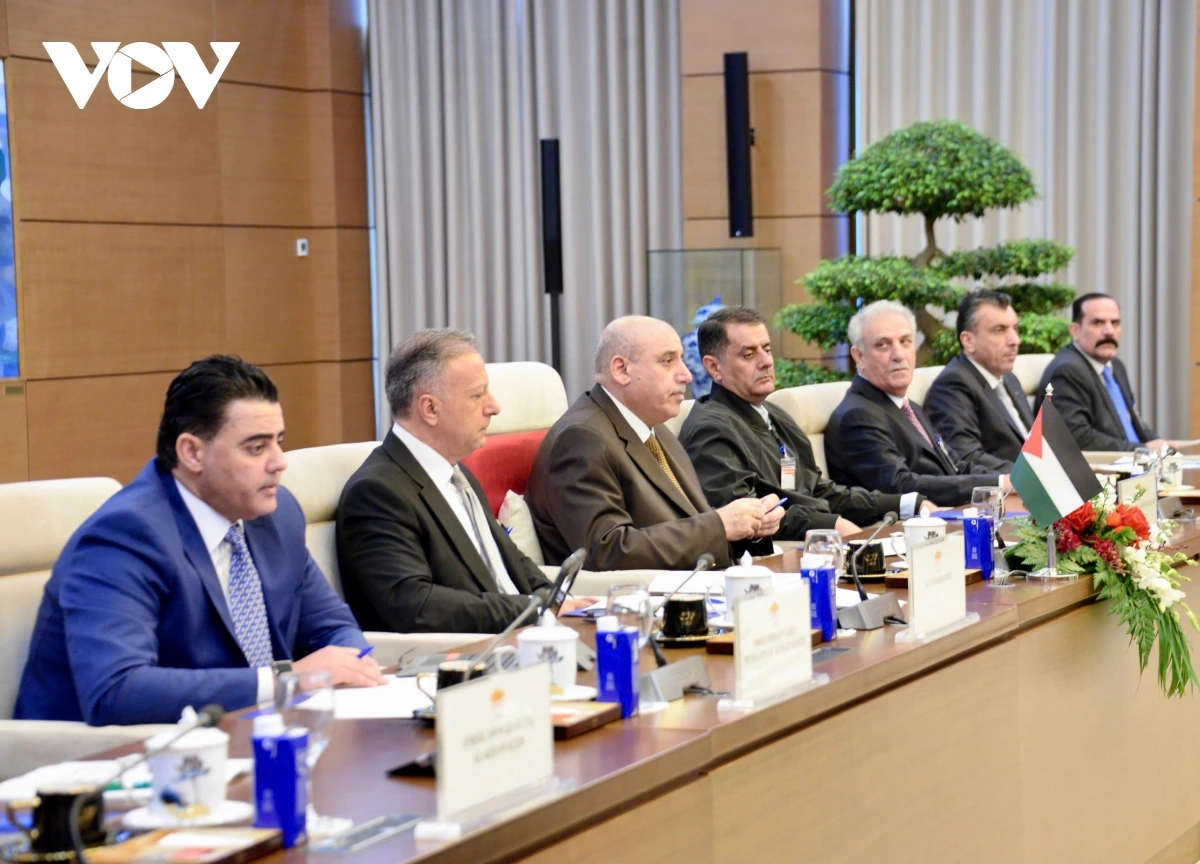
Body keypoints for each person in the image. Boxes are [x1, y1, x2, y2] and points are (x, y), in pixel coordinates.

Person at [15, 356, 384, 727]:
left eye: (279, 442)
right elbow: (117, 691)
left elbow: (332, 628)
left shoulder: (275, 514)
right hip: (111, 753)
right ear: (192, 452)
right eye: (256, 448)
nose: (279, 462)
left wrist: (350, 662)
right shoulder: (126, 535)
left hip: (246, 733)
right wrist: (283, 681)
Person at [337, 329, 588, 634]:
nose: (494, 407)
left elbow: (509, 560)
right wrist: (535, 609)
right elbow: (416, 607)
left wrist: (557, 600)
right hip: (470, 652)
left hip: (525, 635)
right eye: (477, 395)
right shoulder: (377, 493)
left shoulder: (457, 473)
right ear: (430, 409)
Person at [526, 315, 781, 571]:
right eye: (668, 361)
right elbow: (605, 551)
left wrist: (749, 527)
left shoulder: (655, 428)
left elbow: (690, 520)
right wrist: (720, 525)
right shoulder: (582, 439)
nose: (686, 375)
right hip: (638, 593)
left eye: (681, 359)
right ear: (621, 370)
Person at [679, 306, 923, 545]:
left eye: (767, 349)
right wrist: (831, 525)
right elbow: (747, 518)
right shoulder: (709, 429)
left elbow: (818, 491)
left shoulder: (775, 414)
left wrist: (906, 503)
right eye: (749, 355)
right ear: (714, 367)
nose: (766, 362)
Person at [824, 300, 1008, 505]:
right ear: (859, 356)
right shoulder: (858, 416)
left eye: (905, 341)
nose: (898, 355)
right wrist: (999, 484)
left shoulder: (909, 407)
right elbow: (902, 486)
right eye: (883, 345)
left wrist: (1007, 480)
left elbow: (956, 466)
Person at [1034, 293, 1165, 451]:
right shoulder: (1067, 371)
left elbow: (1132, 425)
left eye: (1115, 323)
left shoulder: (1115, 366)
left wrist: (1162, 446)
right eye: (1098, 323)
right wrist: (1141, 449)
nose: (1109, 331)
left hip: (1137, 460)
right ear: (1075, 331)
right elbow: (1077, 438)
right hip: (1106, 465)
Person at [924, 290, 1034, 472]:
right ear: (968, 341)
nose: (1015, 340)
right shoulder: (952, 386)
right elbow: (966, 458)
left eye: (1015, 329)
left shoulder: (1009, 378)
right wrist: (1032, 476)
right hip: (1005, 486)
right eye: (999, 330)